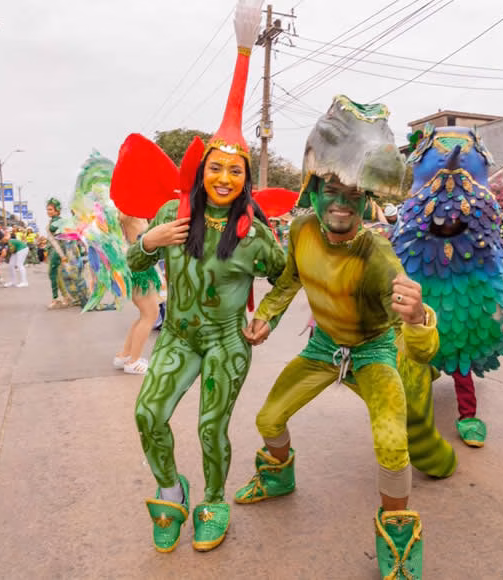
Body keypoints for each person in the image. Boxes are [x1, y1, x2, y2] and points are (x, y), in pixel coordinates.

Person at [235, 95, 438, 580]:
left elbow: (421, 347)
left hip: (373, 354)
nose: (341, 203)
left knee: (392, 445)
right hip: (323, 349)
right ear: (314, 190)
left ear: (367, 200)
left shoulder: (380, 257)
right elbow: (289, 279)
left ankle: (398, 534)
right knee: (269, 419)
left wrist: (418, 320)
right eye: (332, 189)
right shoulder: (301, 230)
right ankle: (279, 478)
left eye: (353, 194)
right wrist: (266, 315)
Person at [125, 0, 288, 554]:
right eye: (214, 167)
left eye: (234, 170)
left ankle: (213, 500)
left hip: (225, 342)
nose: (222, 176)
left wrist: (265, 316)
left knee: (209, 427)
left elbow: (285, 278)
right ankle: (171, 489)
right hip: (177, 335)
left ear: (245, 179)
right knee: (149, 413)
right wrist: (148, 241)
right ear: (202, 172)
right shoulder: (176, 221)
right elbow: (135, 265)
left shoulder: (254, 236)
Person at [114, 213, 161, 375]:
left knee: (146, 315)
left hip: (141, 264)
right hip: (139, 267)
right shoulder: (128, 210)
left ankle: (125, 355)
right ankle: (133, 361)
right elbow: (119, 218)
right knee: (150, 315)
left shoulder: (136, 211)